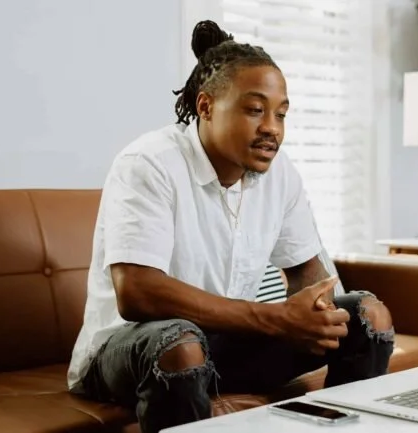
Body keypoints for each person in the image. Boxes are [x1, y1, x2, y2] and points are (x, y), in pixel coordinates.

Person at [67, 20, 395, 433]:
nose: (272, 128)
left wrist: (318, 315)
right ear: (206, 107)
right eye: (255, 110)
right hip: (130, 350)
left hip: (223, 347)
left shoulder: (280, 175)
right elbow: (137, 292)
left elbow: (308, 276)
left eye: (280, 114)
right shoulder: (149, 164)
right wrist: (276, 319)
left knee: (367, 316)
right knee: (180, 343)